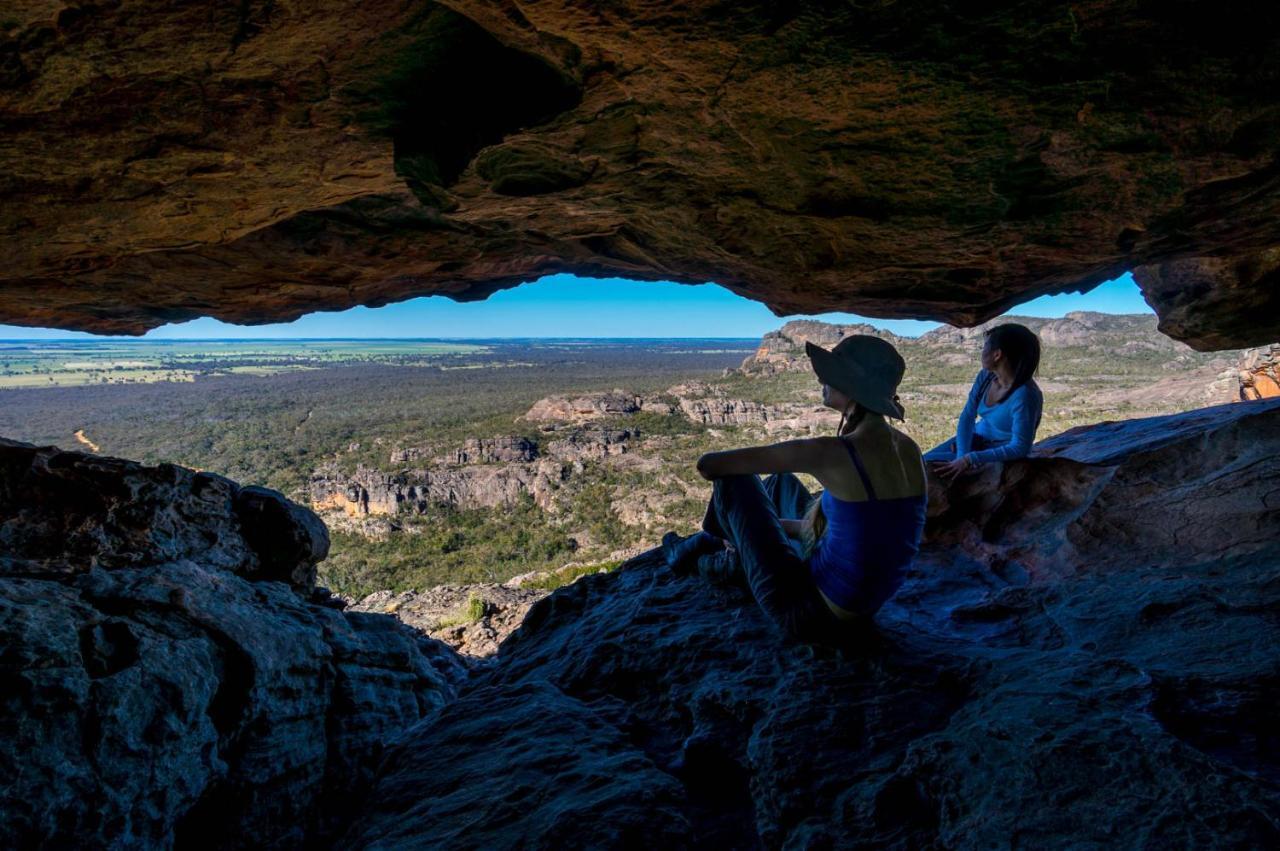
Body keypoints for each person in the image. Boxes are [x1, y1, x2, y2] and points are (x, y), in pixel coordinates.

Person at [662, 335, 927, 642]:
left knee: (737, 481)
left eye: (832, 374)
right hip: (858, 605)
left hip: (808, 612)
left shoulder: (835, 452)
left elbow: (709, 466)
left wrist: (750, 531)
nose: (822, 379)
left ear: (851, 386)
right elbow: (857, 535)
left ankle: (693, 556)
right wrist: (763, 529)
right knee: (780, 482)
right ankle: (727, 550)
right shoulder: (908, 449)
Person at [925, 323, 1043, 480]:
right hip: (976, 440)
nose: (981, 352)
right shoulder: (986, 377)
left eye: (984, 347)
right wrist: (962, 453)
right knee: (919, 461)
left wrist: (970, 459)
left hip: (1000, 454)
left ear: (997, 355)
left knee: (926, 472)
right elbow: (967, 416)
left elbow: (1020, 447)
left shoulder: (1025, 395)